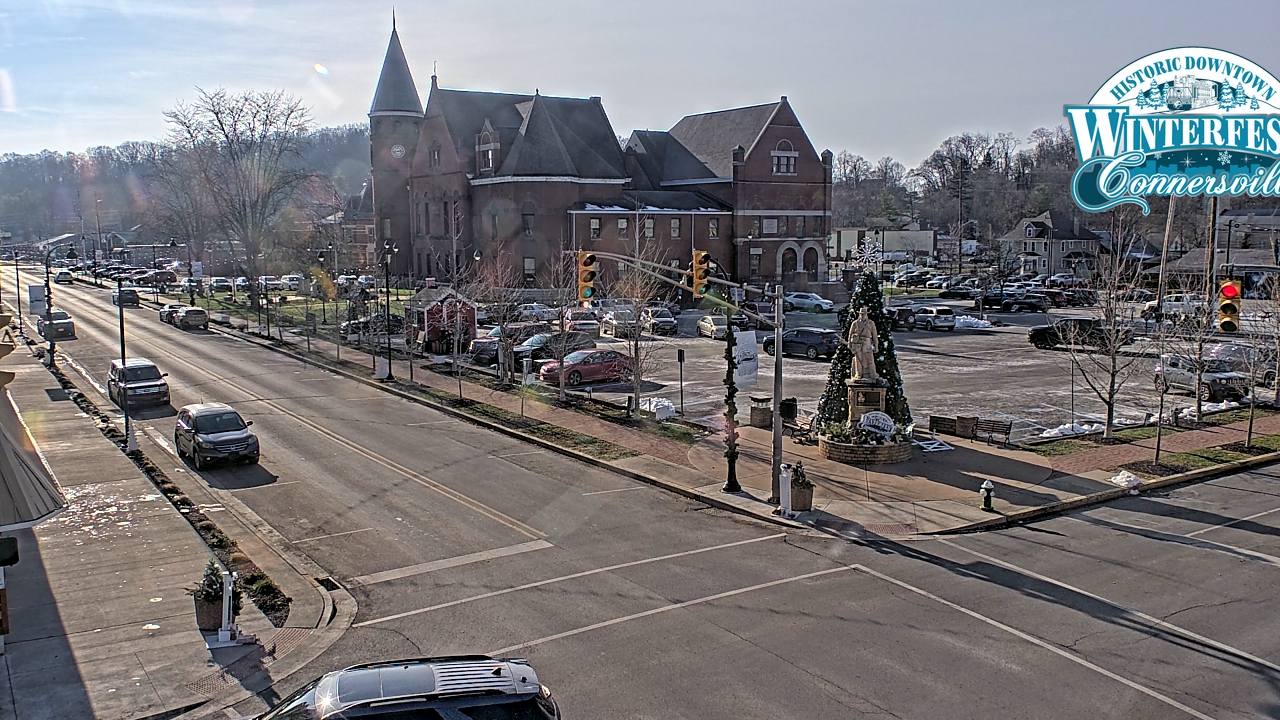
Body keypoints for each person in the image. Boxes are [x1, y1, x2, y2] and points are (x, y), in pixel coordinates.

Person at [846, 307, 880, 382]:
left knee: (870, 359)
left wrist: (876, 346)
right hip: (858, 344)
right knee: (858, 360)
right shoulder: (855, 323)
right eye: (861, 314)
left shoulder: (871, 323)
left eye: (864, 314)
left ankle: (872, 373)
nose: (862, 315)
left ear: (867, 314)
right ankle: (858, 374)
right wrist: (849, 343)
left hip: (867, 343)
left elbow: (874, 336)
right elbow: (850, 334)